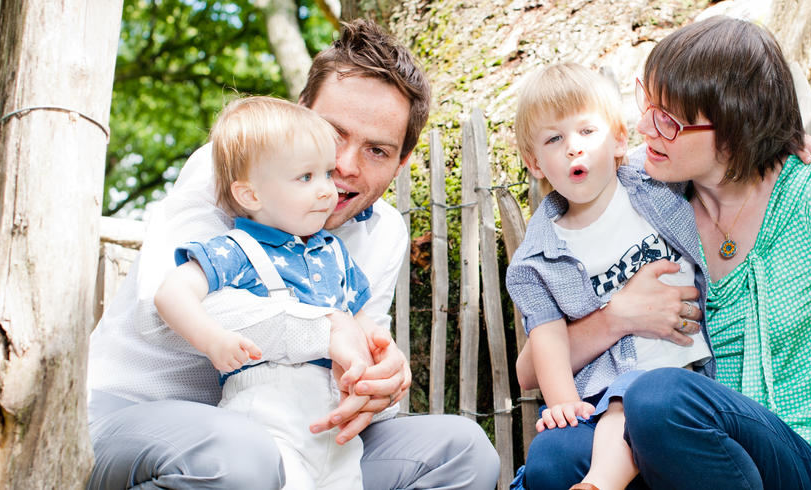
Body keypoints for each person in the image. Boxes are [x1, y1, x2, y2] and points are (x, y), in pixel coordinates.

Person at [87, 20, 499, 489]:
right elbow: (163, 307)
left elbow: (360, 338)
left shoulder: (385, 232)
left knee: (463, 451)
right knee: (240, 455)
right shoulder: (230, 176)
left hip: (301, 440)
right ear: (300, 111)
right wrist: (324, 329)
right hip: (136, 416)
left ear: (402, 162)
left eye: (377, 151)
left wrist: (380, 380)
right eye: (333, 133)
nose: (344, 166)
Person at [514, 17, 811, 490]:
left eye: (667, 119)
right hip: (703, 459)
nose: (642, 128)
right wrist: (616, 318)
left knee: (657, 398)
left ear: (733, 128)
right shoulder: (658, 202)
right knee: (555, 458)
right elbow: (528, 369)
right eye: (647, 105)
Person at [505, 63, 714, 490]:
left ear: (620, 138)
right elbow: (546, 334)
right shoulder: (536, 260)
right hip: (614, 387)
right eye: (553, 139)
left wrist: (785, 144)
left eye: (587, 132)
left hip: (696, 370)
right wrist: (564, 403)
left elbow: (716, 155)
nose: (572, 149)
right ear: (535, 163)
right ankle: (599, 483)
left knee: (653, 401)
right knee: (630, 399)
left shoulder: (654, 183)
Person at [153, 96, 379, 489]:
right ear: (251, 195)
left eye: (327, 173)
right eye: (306, 178)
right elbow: (171, 294)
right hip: (269, 419)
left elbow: (360, 324)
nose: (328, 190)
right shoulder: (236, 248)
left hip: (335, 429)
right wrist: (213, 339)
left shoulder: (334, 254)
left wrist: (374, 359)